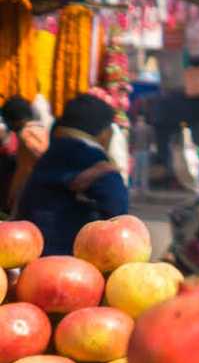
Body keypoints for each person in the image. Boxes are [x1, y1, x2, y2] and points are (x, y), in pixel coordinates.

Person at [14, 95, 128, 254]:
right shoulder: (95, 161)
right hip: (71, 256)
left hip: (31, 247)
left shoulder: (52, 152)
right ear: (104, 132)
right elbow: (117, 210)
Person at [0, 97, 46, 215]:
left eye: (8, 120)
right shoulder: (40, 130)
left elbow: (42, 160)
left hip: (31, 195)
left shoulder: (27, 134)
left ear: (16, 120)